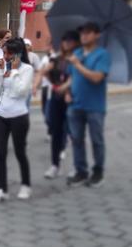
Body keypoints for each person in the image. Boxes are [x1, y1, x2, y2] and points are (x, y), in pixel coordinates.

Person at [0, 38, 34, 202]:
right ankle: (2, 189)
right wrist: (0, 73)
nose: (5, 56)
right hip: (1, 115)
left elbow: (20, 92)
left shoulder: (27, 69)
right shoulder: (3, 68)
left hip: (18, 116)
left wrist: (13, 72)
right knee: (0, 153)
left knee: (20, 152)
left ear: (18, 54)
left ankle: (26, 185)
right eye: (4, 53)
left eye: (8, 53)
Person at [66, 21, 111, 188]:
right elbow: (71, 77)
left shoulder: (102, 55)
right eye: (82, 32)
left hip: (95, 106)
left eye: (88, 32)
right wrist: (67, 92)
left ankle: (98, 171)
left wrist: (78, 64)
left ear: (97, 35)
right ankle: (81, 171)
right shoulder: (76, 52)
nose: (84, 35)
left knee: (96, 140)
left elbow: (97, 77)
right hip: (75, 105)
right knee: (77, 139)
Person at [39, 30, 80, 179]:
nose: (67, 43)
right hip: (57, 99)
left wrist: (67, 88)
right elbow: (45, 72)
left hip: (73, 100)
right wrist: (55, 84)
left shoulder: (78, 58)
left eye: (70, 40)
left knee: (74, 132)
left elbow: (77, 77)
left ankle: (77, 166)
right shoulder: (57, 58)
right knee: (55, 131)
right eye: (65, 40)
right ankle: (55, 165)